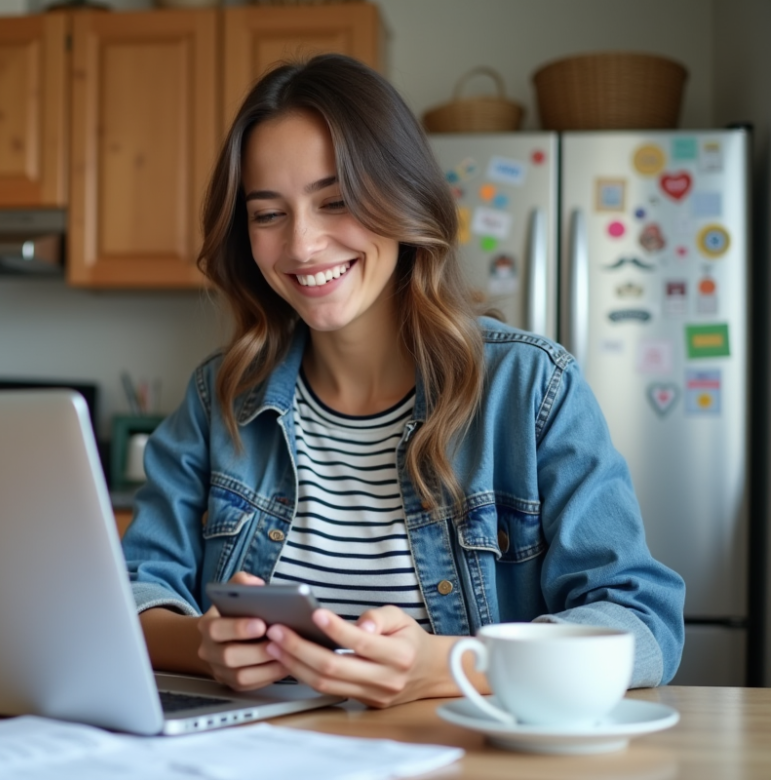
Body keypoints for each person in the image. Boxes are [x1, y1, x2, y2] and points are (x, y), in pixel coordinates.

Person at [121, 54, 685, 708]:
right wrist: (203, 644)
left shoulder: (532, 389)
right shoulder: (218, 398)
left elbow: (643, 624)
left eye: (335, 201)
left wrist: (457, 665)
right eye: (268, 214)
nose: (302, 245)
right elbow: (131, 593)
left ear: (403, 196)